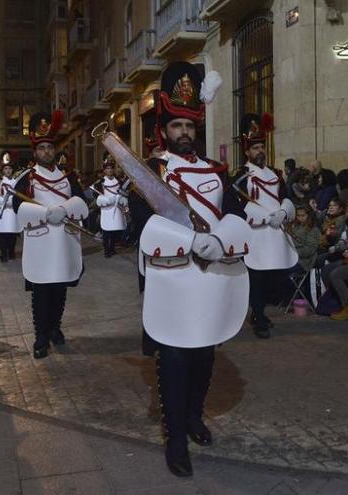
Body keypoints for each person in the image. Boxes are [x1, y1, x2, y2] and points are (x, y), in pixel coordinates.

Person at [127, 61, 249, 477]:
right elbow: (140, 224)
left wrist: (219, 239)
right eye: (176, 125)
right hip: (171, 281)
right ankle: (175, 437)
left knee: (204, 356)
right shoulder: (149, 175)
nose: (184, 133)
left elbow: (235, 214)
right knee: (175, 359)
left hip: (212, 278)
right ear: (164, 129)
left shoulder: (217, 172)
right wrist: (189, 240)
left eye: (189, 126)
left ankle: (195, 415)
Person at [13, 111, 89, 360]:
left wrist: (64, 210)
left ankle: (55, 327)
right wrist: (46, 213)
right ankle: (41, 336)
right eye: (42, 148)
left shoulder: (68, 177)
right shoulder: (27, 178)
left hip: (65, 241)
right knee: (41, 292)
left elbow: (81, 202)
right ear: (35, 151)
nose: (46, 152)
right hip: (40, 243)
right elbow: (18, 208)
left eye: (50, 147)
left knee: (60, 289)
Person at [235, 113, 297, 338]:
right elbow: (241, 206)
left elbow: (286, 197)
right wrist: (265, 217)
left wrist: (282, 212)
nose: (260, 151)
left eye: (262, 146)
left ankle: (259, 312)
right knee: (257, 279)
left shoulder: (276, 174)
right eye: (255, 148)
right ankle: (259, 317)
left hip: (277, 234)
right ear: (247, 152)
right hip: (255, 237)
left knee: (275, 278)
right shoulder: (240, 176)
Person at [0, 152, 22, 263]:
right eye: (6, 169)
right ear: (2, 170)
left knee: (13, 234)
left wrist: (12, 202)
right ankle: (4, 254)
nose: (8, 171)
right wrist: (2, 201)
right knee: (2, 235)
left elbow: (19, 196)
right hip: (2, 213)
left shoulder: (17, 183)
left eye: (9, 168)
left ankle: (11, 252)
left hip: (13, 212)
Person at [96, 158, 127, 258]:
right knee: (106, 231)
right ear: (104, 170)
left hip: (117, 207)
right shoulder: (101, 182)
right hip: (106, 209)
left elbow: (123, 192)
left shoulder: (118, 181)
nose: (109, 170)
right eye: (107, 168)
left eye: (111, 168)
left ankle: (112, 248)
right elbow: (95, 194)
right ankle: (106, 250)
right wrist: (103, 200)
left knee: (115, 230)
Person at [290, 205, 321, 272]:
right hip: (291, 257)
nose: (300, 218)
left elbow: (309, 250)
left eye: (303, 215)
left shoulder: (314, 230)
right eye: (298, 215)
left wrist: (293, 253)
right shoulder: (295, 226)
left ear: (309, 216)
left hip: (303, 262)